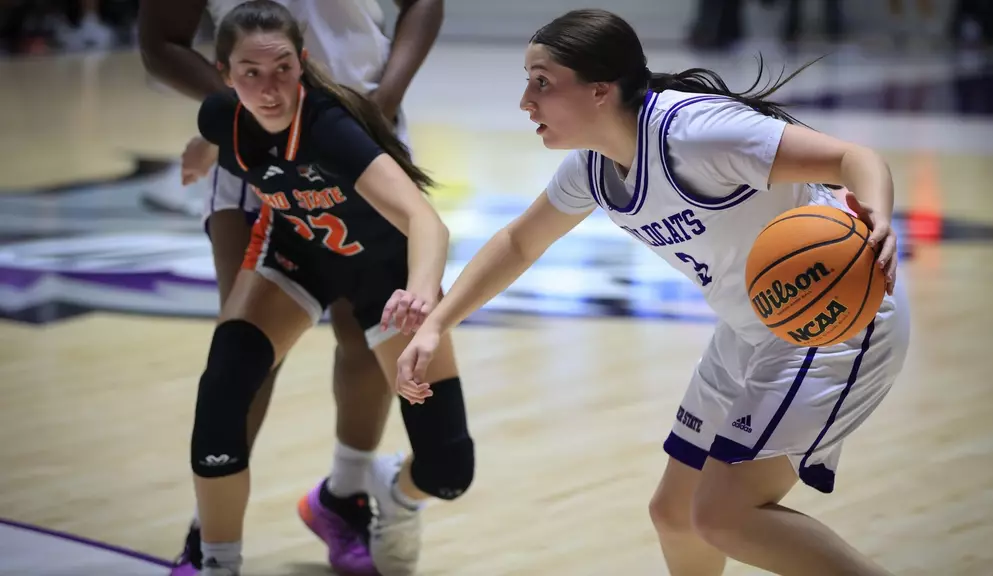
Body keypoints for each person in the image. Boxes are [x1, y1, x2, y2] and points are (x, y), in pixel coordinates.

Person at [395, 9, 909, 576]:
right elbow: (518, 242)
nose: (525, 100)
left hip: (834, 319)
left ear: (599, 90)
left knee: (723, 516)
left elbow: (852, 158)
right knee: (675, 514)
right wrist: (438, 324)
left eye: (541, 81)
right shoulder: (592, 168)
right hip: (748, 329)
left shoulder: (697, 133)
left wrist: (877, 215)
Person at [137, 0, 445, 573]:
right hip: (253, 150)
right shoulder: (237, 110)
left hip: (361, 131)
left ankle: (345, 496)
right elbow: (160, 41)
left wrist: (382, 101)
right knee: (244, 355)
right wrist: (242, 107)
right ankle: (211, 537)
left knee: (368, 337)